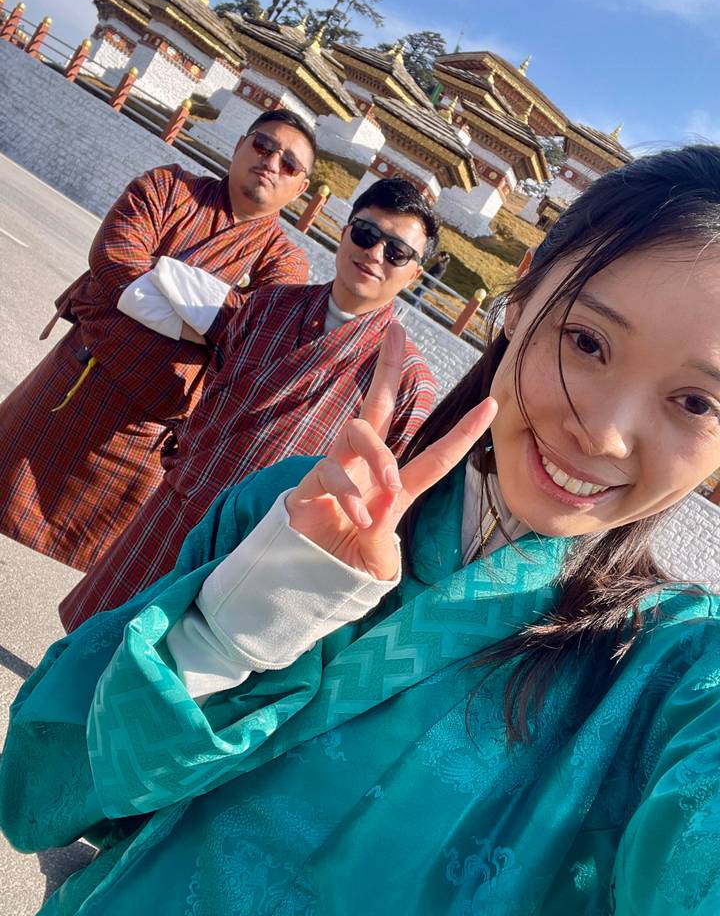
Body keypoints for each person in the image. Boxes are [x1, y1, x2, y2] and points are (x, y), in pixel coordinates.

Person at [3, 144, 720, 916]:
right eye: (586, 342)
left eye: (698, 402)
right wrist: (232, 624)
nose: (606, 435)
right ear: (522, 294)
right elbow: (43, 790)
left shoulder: (669, 672)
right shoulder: (276, 451)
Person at [58, 177, 438, 631]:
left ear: (414, 274)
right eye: (367, 234)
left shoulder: (407, 381)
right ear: (344, 232)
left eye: (397, 252)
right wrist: (187, 459)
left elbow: (384, 495)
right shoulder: (270, 305)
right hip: (188, 496)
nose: (375, 254)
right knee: (91, 641)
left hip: (263, 547)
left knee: (172, 678)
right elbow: (217, 384)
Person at [0, 109, 314, 573]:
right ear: (238, 147)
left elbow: (252, 339)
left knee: (98, 571)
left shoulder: (286, 264)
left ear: (301, 188)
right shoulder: (169, 188)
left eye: (289, 163)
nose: (271, 162)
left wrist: (160, 275)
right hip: (75, 385)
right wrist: (205, 326)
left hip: (149, 432)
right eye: (263, 146)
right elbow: (114, 261)